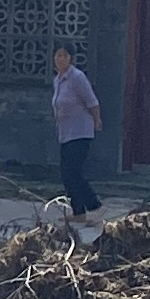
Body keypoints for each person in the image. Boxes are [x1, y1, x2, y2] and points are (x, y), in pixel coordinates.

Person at [50, 44, 103, 219]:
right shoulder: (58, 80)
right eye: (58, 55)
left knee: (74, 172)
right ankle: (78, 212)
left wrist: (97, 120)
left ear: (71, 58)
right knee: (66, 175)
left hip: (81, 131)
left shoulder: (77, 78)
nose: (61, 59)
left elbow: (92, 101)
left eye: (64, 55)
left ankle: (95, 207)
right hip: (65, 133)